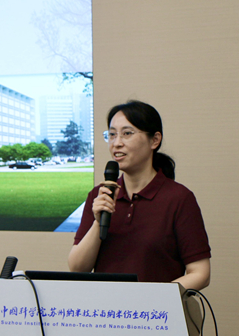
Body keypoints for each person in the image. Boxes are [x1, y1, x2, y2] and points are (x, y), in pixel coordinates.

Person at [68, 100, 211, 290]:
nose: (117, 143)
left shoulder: (179, 198)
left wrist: (154, 299)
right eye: (112, 135)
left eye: (127, 133)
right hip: (105, 307)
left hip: (157, 307)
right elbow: (78, 269)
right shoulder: (99, 195)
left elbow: (200, 273)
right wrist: (98, 222)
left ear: (155, 140)